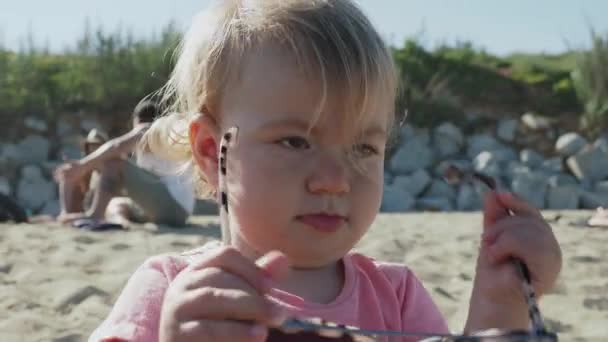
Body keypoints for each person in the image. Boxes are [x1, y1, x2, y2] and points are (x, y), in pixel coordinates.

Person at [89, 1, 562, 341]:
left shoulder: (395, 299)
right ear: (215, 153)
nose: (334, 180)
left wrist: (502, 305)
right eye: (295, 141)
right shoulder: (172, 290)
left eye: (362, 148)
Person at [55, 100, 195, 228]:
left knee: (114, 163)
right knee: (116, 203)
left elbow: (117, 146)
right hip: (169, 211)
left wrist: (81, 166)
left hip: (173, 208)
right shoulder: (159, 141)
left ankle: (94, 216)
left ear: (136, 120)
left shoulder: (150, 128)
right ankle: (119, 221)